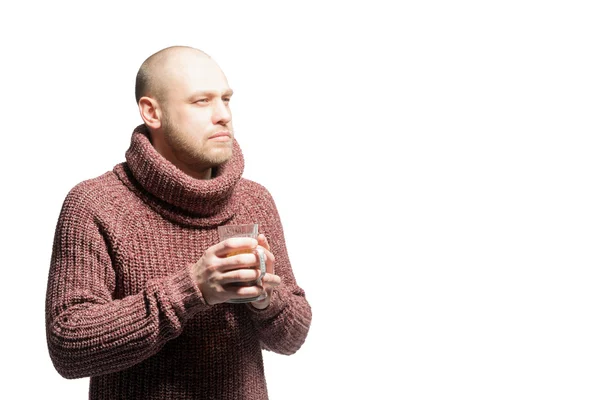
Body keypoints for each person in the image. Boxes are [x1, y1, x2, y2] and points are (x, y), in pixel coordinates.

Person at [45, 46, 312, 400]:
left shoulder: (254, 200)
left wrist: (266, 300)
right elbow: (68, 344)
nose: (222, 116)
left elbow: (292, 336)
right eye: (201, 101)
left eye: (226, 100)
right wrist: (192, 289)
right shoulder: (94, 204)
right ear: (152, 112)